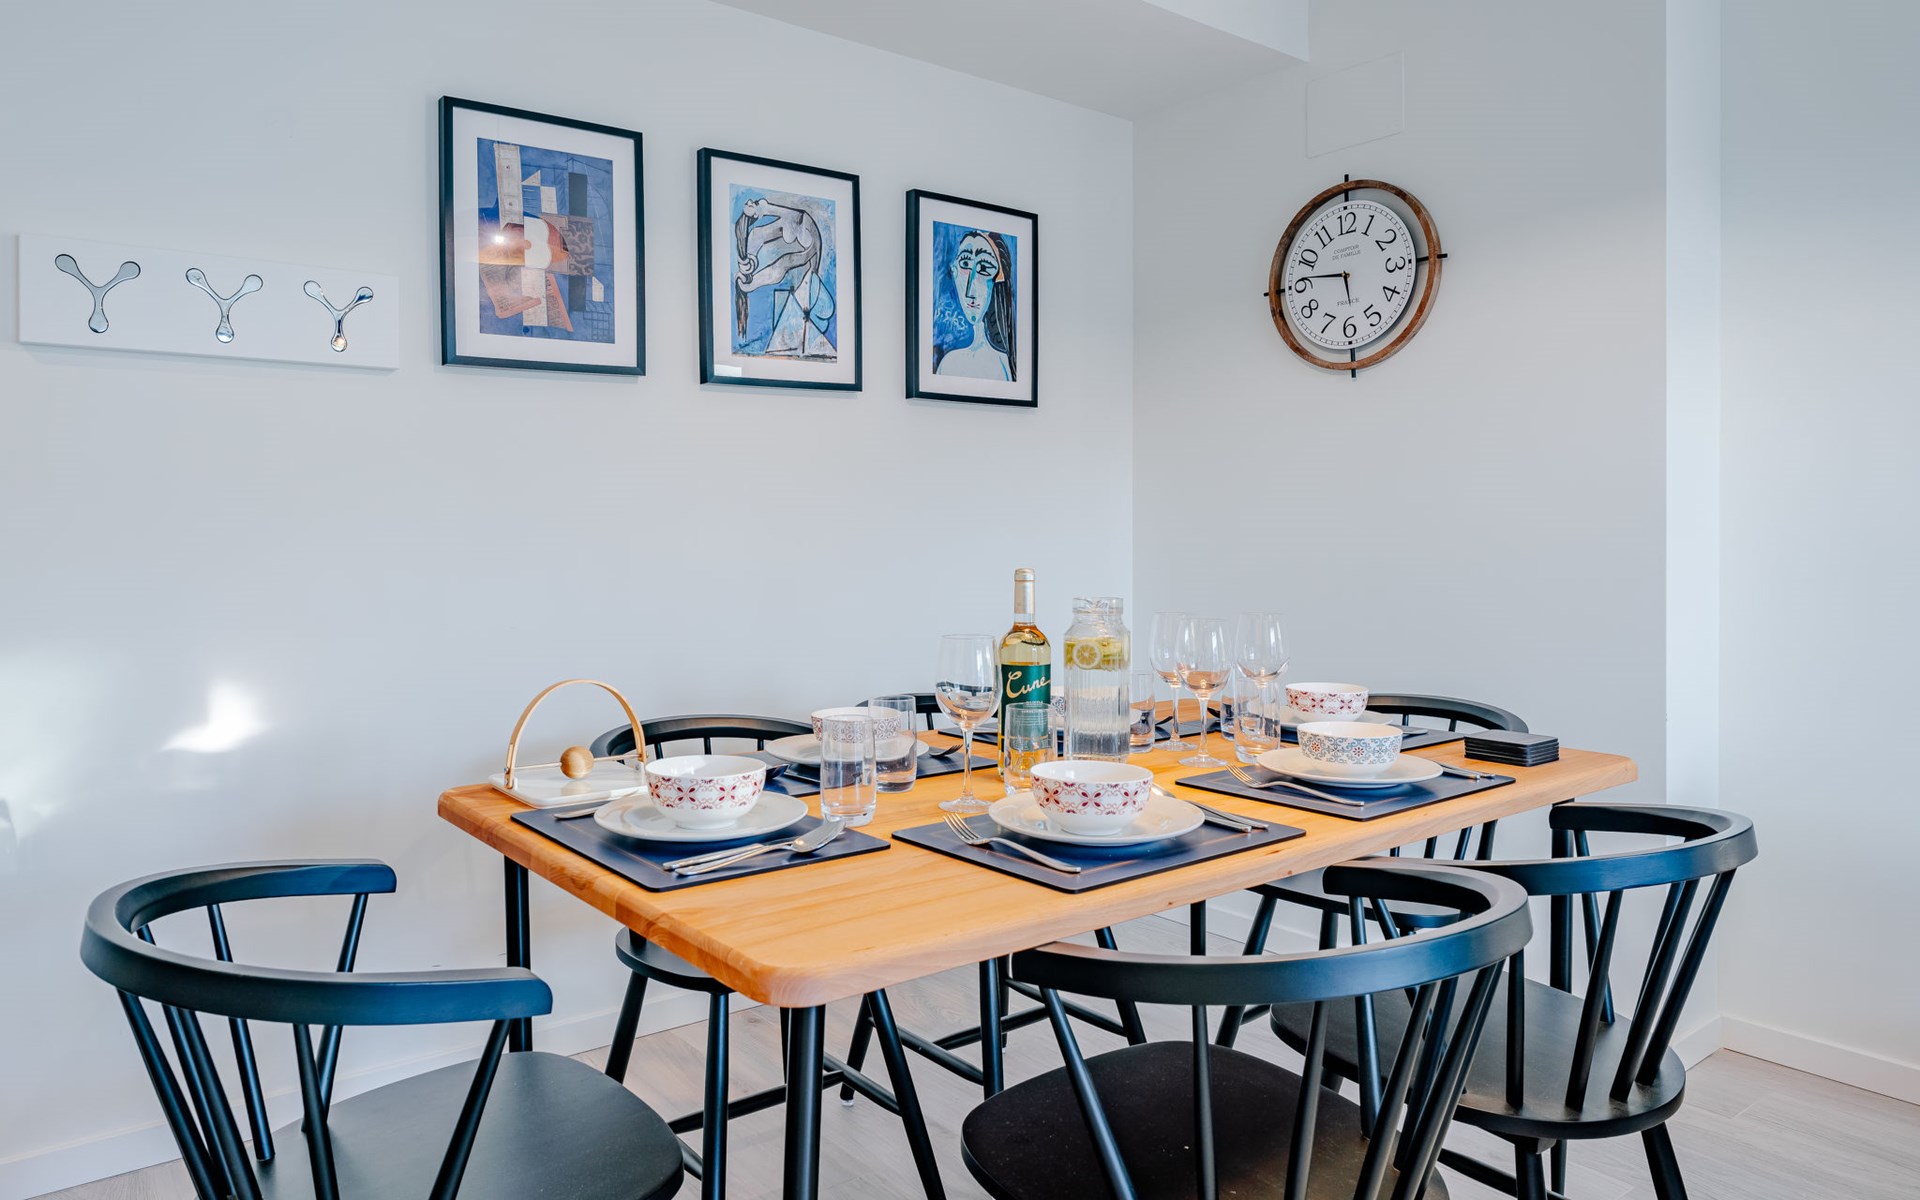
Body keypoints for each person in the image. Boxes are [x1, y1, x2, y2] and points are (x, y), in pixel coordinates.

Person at [935, 229, 1015, 381]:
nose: (970, 291)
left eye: (984, 268)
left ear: (999, 279)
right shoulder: (949, 363)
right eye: (965, 263)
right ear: (954, 270)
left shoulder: (1003, 365)